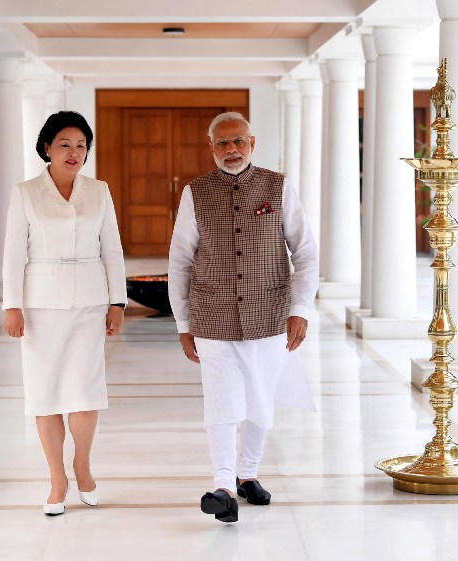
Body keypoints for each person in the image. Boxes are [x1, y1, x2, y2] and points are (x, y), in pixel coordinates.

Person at [168, 112, 319, 523]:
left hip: (269, 315)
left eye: (238, 141)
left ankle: (247, 474)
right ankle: (221, 485)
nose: (231, 150)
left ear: (252, 142)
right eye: (222, 143)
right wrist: (183, 325)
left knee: (259, 400)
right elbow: (180, 260)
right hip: (212, 315)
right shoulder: (195, 193)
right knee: (220, 400)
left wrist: (300, 309)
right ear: (211, 146)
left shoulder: (278, 186)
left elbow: (304, 252)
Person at [2, 111, 127, 516]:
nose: (74, 153)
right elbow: (12, 255)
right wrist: (12, 305)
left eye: (80, 145)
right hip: (40, 306)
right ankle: (57, 479)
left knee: (85, 389)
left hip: (90, 301)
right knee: (46, 394)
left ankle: (83, 466)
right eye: (64, 145)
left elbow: (112, 248)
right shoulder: (25, 192)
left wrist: (117, 301)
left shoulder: (99, 190)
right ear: (46, 149)